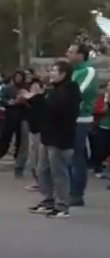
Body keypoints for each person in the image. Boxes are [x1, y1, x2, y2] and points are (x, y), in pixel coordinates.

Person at [27, 61, 81, 218]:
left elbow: (55, 109)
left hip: (60, 139)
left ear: (63, 74)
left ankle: (63, 205)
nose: (50, 73)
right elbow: (44, 106)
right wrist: (37, 98)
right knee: (42, 170)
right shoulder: (54, 90)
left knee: (59, 173)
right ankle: (47, 200)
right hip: (47, 136)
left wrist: (38, 97)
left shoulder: (69, 91)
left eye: (54, 71)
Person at [65, 43, 99, 206]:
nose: (67, 54)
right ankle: (67, 189)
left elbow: (77, 93)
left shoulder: (88, 71)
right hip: (67, 119)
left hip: (80, 120)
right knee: (66, 157)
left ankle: (76, 194)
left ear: (81, 55)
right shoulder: (71, 72)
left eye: (71, 52)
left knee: (77, 157)